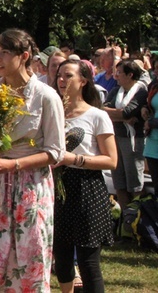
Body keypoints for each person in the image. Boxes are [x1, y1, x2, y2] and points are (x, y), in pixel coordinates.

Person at [0, 29, 65, 292]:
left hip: (30, 188)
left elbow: (55, 152)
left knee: (28, 258)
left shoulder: (46, 96)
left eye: (6, 52)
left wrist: (15, 165)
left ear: (24, 56)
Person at [53, 59, 118, 293]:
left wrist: (74, 160)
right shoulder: (52, 112)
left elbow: (111, 160)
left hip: (86, 189)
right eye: (59, 75)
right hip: (55, 188)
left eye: (68, 75)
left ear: (83, 81)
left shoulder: (96, 116)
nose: (61, 80)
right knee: (61, 259)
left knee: (88, 262)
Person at [103, 59, 148, 212]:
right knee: (119, 182)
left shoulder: (141, 92)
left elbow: (128, 111)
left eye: (120, 72)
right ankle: (125, 223)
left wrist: (121, 115)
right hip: (115, 138)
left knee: (134, 181)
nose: (116, 76)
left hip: (132, 140)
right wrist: (123, 117)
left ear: (130, 75)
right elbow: (102, 110)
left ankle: (138, 219)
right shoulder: (116, 91)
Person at [142, 59, 158, 187]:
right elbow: (152, 105)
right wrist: (145, 107)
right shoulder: (154, 86)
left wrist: (152, 123)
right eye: (155, 68)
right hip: (153, 142)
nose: (156, 71)